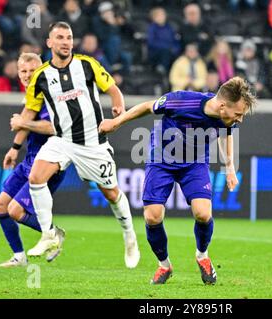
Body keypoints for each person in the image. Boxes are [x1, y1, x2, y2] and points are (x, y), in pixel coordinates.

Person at [99, 77, 256, 285]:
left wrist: (229, 168)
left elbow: (226, 134)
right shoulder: (181, 101)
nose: (240, 120)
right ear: (222, 106)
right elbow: (147, 107)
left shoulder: (226, 118)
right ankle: (164, 265)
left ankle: (202, 256)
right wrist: (116, 123)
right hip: (161, 160)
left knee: (203, 213)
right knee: (152, 217)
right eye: (238, 114)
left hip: (195, 163)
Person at [13, 21, 140, 269]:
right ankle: (49, 234)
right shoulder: (40, 76)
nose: (65, 42)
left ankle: (129, 235)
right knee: (36, 177)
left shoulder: (86, 64)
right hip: (62, 140)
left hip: (92, 143)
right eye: (60, 37)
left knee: (111, 194)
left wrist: (118, 109)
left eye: (69, 37)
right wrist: (16, 140)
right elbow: (30, 109)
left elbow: (113, 89)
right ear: (49, 43)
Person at [0, 52, 66, 267]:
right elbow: (25, 122)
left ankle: (55, 234)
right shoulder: (31, 95)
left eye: (32, 71)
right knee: (1, 205)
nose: (27, 75)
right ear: (18, 73)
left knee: (15, 210)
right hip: (30, 159)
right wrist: (14, 148)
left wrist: (21, 123)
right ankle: (19, 256)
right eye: (23, 71)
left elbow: (54, 127)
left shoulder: (51, 96)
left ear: (41, 72)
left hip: (48, 163)